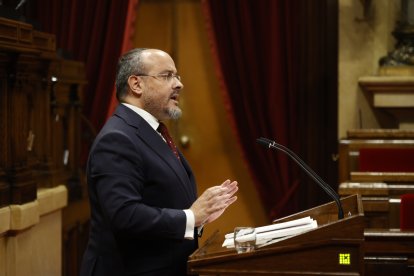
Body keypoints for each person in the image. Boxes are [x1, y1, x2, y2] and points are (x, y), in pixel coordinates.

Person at [80, 48, 238, 276]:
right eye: (167, 76)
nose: (178, 84)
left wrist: (199, 218)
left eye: (177, 76)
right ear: (136, 84)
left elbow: (161, 200)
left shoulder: (153, 130)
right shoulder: (117, 138)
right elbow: (125, 215)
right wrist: (191, 217)